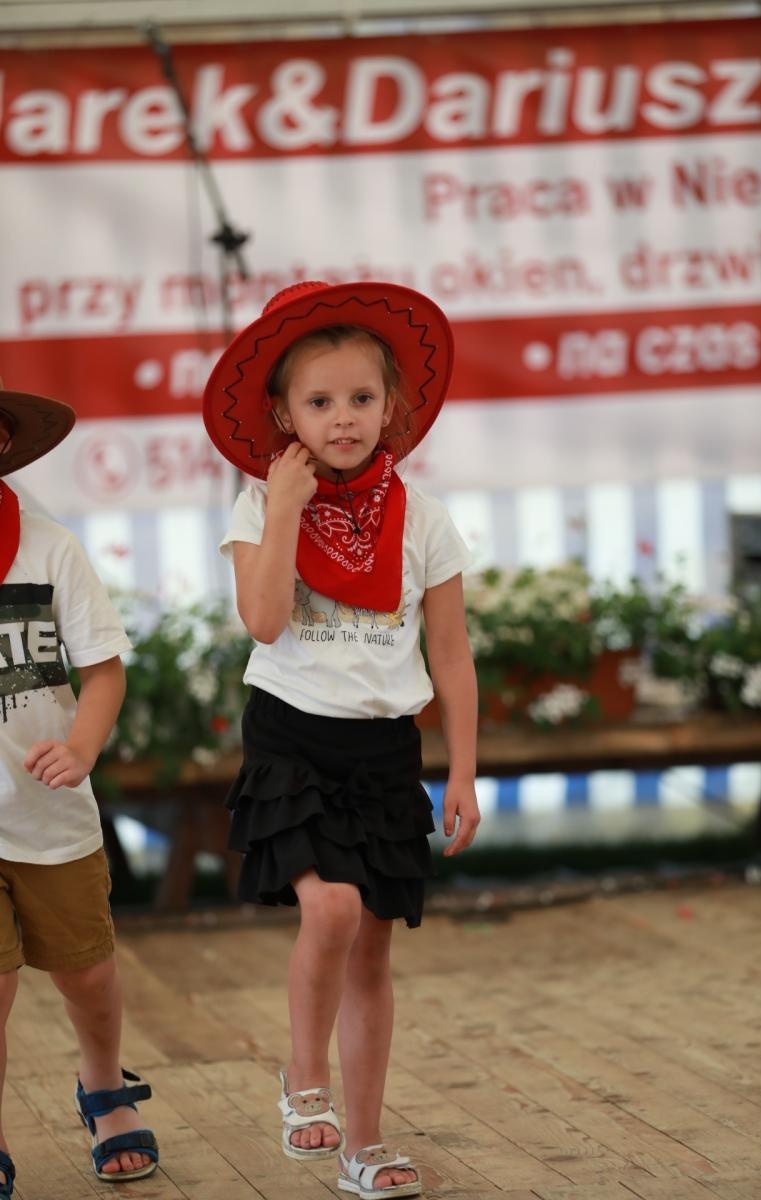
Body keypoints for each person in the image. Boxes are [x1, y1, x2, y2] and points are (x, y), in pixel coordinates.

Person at [203, 280, 480, 1199]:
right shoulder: (256, 507)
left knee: (371, 943)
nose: (344, 417)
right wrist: (284, 505)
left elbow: (451, 654)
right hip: (291, 739)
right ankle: (302, 1076)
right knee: (327, 910)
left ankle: (363, 1144)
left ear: (393, 406)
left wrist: (466, 775)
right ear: (285, 415)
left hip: (383, 750)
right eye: (319, 402)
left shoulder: (426, 519)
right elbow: (267, 621)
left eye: (362, 398)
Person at [0, 389, 158, 1191]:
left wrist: (83, 746)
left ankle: (104, 1086)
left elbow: (103, 670)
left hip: (49, 813)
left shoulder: (50, 548)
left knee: (87, 973)